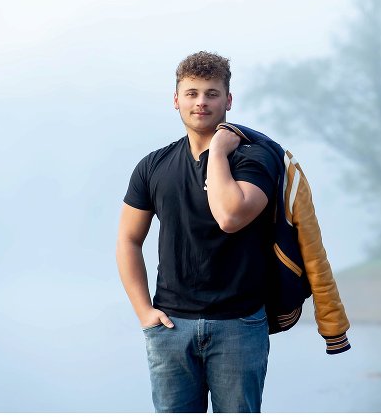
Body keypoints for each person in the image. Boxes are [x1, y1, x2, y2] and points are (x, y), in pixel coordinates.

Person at [116, 51, 348, 414]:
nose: (201, 102)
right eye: (191, 93)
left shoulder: (255, 159)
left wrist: (220, 151)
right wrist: (144, 312)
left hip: (239, 326)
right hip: (170, 327)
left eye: (211, 93)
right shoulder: (152, 166)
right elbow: (129, 240)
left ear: (228, 100)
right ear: (175, 100)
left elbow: (230, 216)